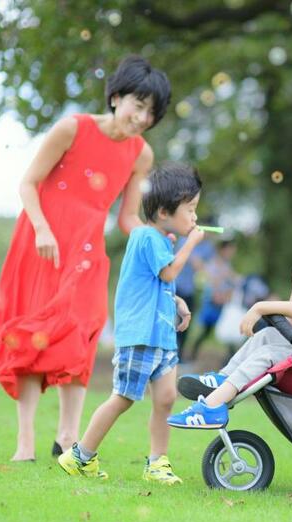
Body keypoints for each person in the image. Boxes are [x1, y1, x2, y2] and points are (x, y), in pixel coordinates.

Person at [0, 56, 171, 461]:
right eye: (137, 105)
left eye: (151, 113)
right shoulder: (73, 128)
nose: (141, 118)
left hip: (87, 251)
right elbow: (28, 183)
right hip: (41, 242)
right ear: (116, 97)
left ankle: (68, 437)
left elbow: (126, 217)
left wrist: (156, 236)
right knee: (36, 333)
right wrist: (42, 228)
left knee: (81, 334)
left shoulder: (141, 155)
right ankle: (26, 443)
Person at [57, 163, 204, 482]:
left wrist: (177, 302)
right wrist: (192, 243)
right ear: (164, 211)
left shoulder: (161, 240)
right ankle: (81, 455)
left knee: (165, 399)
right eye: (190, 209)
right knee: (123, 398)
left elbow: (159, 283)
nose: (194, 217)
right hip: (140, 337)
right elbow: (168, 273)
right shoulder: (147, 237)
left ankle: (157, 463)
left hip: (162, 336)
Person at [168, 223, 292, 429]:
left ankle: (212, 407)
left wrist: (260, 306)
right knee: (267, 335)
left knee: (267, 353)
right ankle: (225, 378)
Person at [188, 239, 239, 362]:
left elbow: (234, 281)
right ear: (223, 250)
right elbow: (210, 283)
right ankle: (191, 355)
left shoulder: (227, 265)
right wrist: (217, 294)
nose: (231, 252)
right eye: (229, 249)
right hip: (212, 303)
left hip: (222, 303)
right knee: (206, 330)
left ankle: (229, 359)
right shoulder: (213, 264)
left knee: (225, 330)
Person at [174, 228, 215, 363]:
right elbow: (196, 263)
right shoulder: (185, 239)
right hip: (176, 286)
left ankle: (179, 354)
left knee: (186, 322)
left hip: (190, 289)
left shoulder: (208, 246)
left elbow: (211, 265)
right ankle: (170, 352)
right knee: (172, 321)